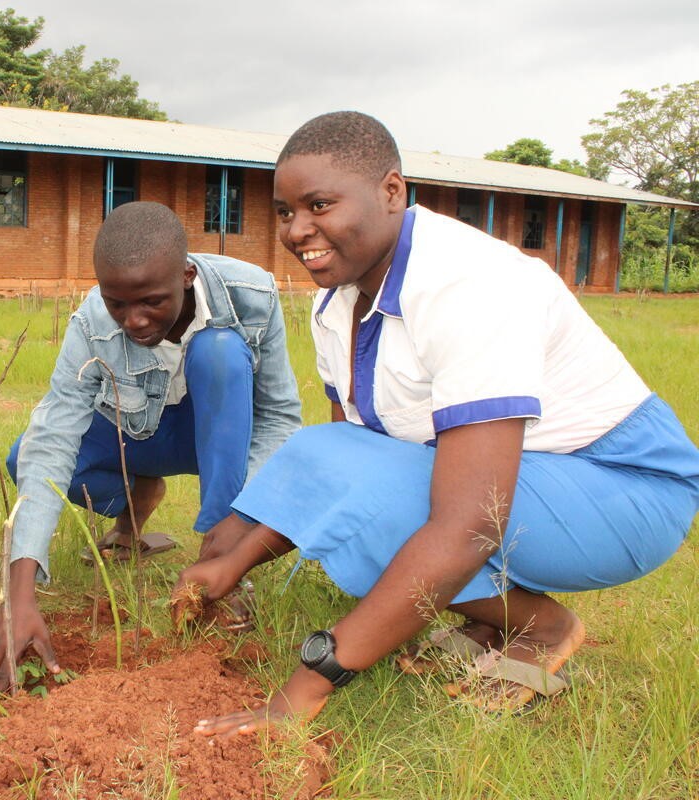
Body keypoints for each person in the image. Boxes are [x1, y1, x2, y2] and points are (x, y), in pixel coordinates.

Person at [174, 111, 699, 734]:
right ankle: (493, 615)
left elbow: (469, 522)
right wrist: (232, 562)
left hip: (625, 490)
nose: (298, 230)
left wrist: (301, 693)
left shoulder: (469, 286)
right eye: (285, 211)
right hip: (536, 480)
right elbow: (340, 456)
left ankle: (541, 627)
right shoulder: (333, 303)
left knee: (390, 513)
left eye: (319, 204)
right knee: (329, 454)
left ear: (392, 190)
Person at [0, 200, 303, 688]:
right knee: (24, 455)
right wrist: (19, 591)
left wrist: (242, 523)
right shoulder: (92, 321)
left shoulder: (251, 294)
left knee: (220, 352)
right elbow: (55, 433)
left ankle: (218, 563)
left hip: (215, 437)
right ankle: (139, 498)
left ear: (187, 274)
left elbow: (279, 417)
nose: (133, 321)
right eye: (117, 303)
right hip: (134, 434)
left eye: (151, 300)